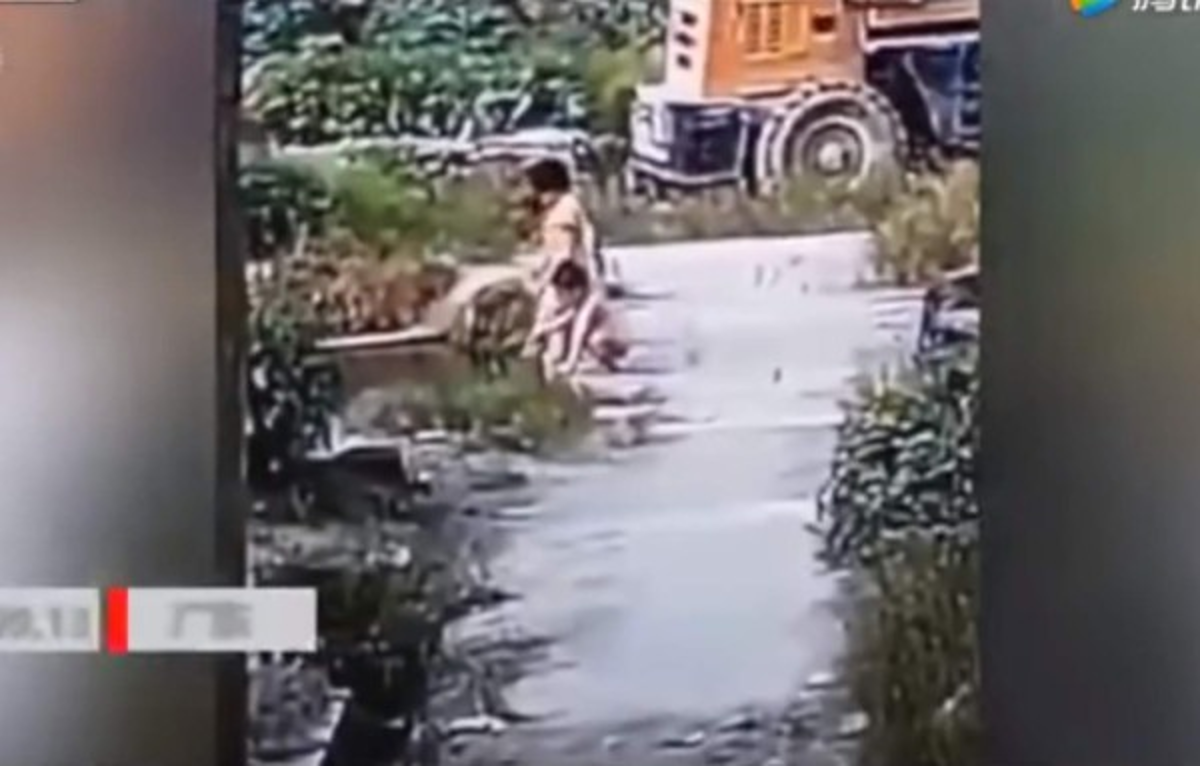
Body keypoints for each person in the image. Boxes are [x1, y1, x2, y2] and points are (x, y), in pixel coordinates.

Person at [526, 260, 627, 378]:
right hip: (600, 332)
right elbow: (544, 325)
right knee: (560, 330)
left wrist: (571, 365)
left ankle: (608, 360)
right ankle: (602, 360)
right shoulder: (570, 300)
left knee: (593, 340)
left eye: (562, 294)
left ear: (577, 291)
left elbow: (580, 331)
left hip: (615, 338)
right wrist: (543, 329)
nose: (559, 297)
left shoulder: (591, 301)